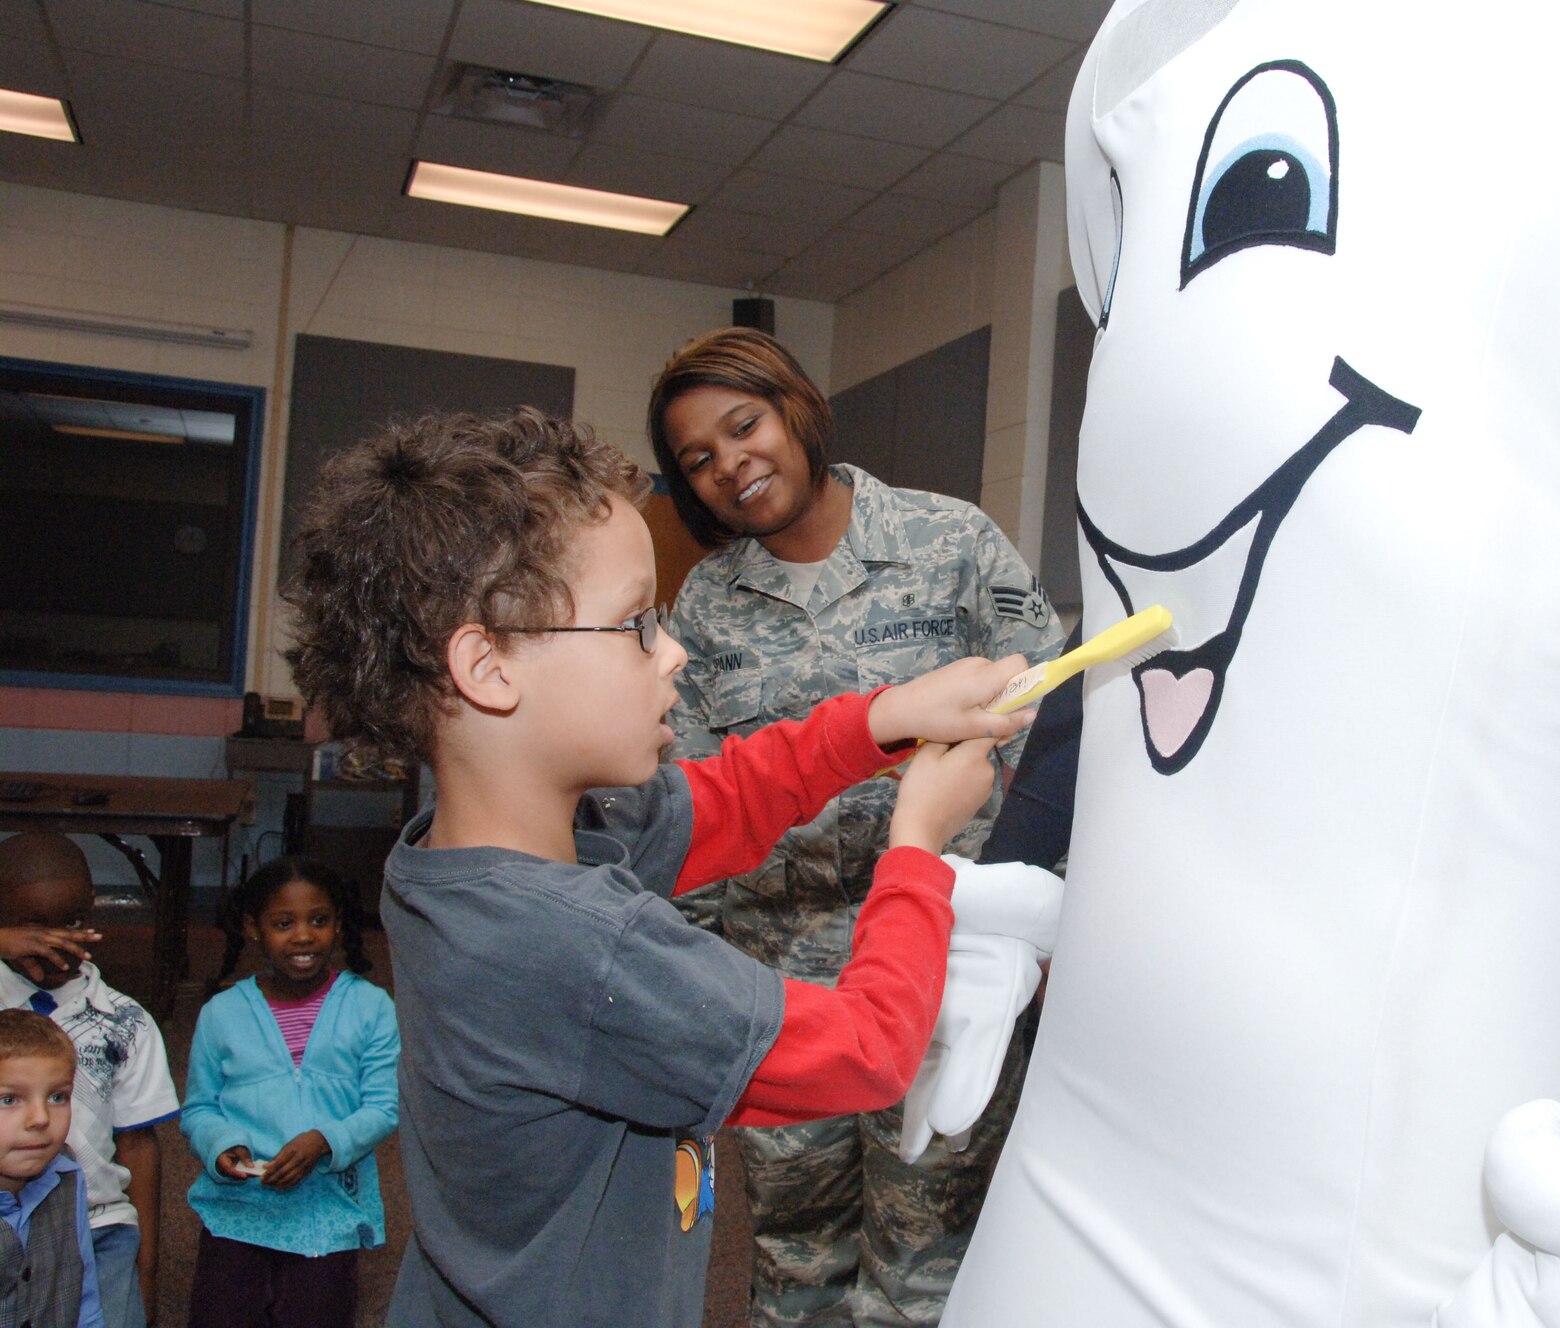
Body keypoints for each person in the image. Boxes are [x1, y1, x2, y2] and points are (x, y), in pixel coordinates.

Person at [277, 405, 1033, 1328]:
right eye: (636, 623)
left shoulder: (474, 852)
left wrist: (888, 716)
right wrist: (916, 847)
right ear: (488, 667)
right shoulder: (577, 947)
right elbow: (868, 1052)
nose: (672, 652)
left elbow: (729, 796)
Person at [649, 327, 1069, 1327]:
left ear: (796, 407)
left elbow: (1052, 723)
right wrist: (690, 985)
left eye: (743, 426)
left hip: (941, 965)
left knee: (924, 1265)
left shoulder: (950, 541)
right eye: (698, 458)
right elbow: (688, 803)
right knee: (794, 1262)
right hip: (779, 986)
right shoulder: (706, 604)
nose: (729, 465)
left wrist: (1035, 923)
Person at [180, 856, 399, 1328]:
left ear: (338, 925)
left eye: (318, 920)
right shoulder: (222, 1013)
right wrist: (221, 1145)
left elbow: (383, 1108)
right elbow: (198, 1109)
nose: (303, 936)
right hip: (237, 1212)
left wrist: (324, 1141)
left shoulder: (370, 1007)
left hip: (326, 1213)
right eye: (283, 924)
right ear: (253, 929)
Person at [0, 831, 177, 1328]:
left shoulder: (126, 1020)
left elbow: (139, 1146)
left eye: (72, 922)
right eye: (33, 926)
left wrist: (146, 1272)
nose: (56, 942)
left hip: (100, 1224)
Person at [0, 1007, 106, 1327]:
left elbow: (83, 1292)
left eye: (57, 1097)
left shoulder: (67, 1172)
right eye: (9, 1100)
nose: (41, 1118)